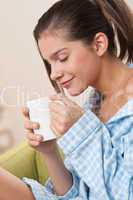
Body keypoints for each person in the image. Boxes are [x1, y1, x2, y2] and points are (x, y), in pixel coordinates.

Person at [0, 0, 133, 199]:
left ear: (98, 44)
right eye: (49, 63)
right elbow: (77, 194)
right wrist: (50, 152)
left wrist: (82, 130)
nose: (53, 74)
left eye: (61, 58)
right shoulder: (94, 103)